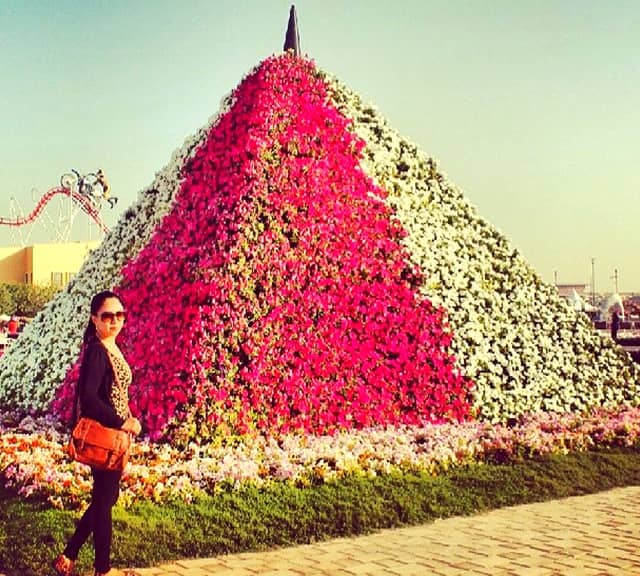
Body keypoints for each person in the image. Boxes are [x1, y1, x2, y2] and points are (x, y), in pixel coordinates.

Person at [53, 290, 141, 576]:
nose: (114, 320)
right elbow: (90, 398)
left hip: (115, 434)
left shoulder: (111, 346)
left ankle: (69, 555)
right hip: (106, 435)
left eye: (119, 315)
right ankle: (102, 570)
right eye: (107, 316)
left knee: (106, 498)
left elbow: (114, 393)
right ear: (95, 319)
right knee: (105, 500)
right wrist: (120, 421)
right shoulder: (97, 351)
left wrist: (128, 419)